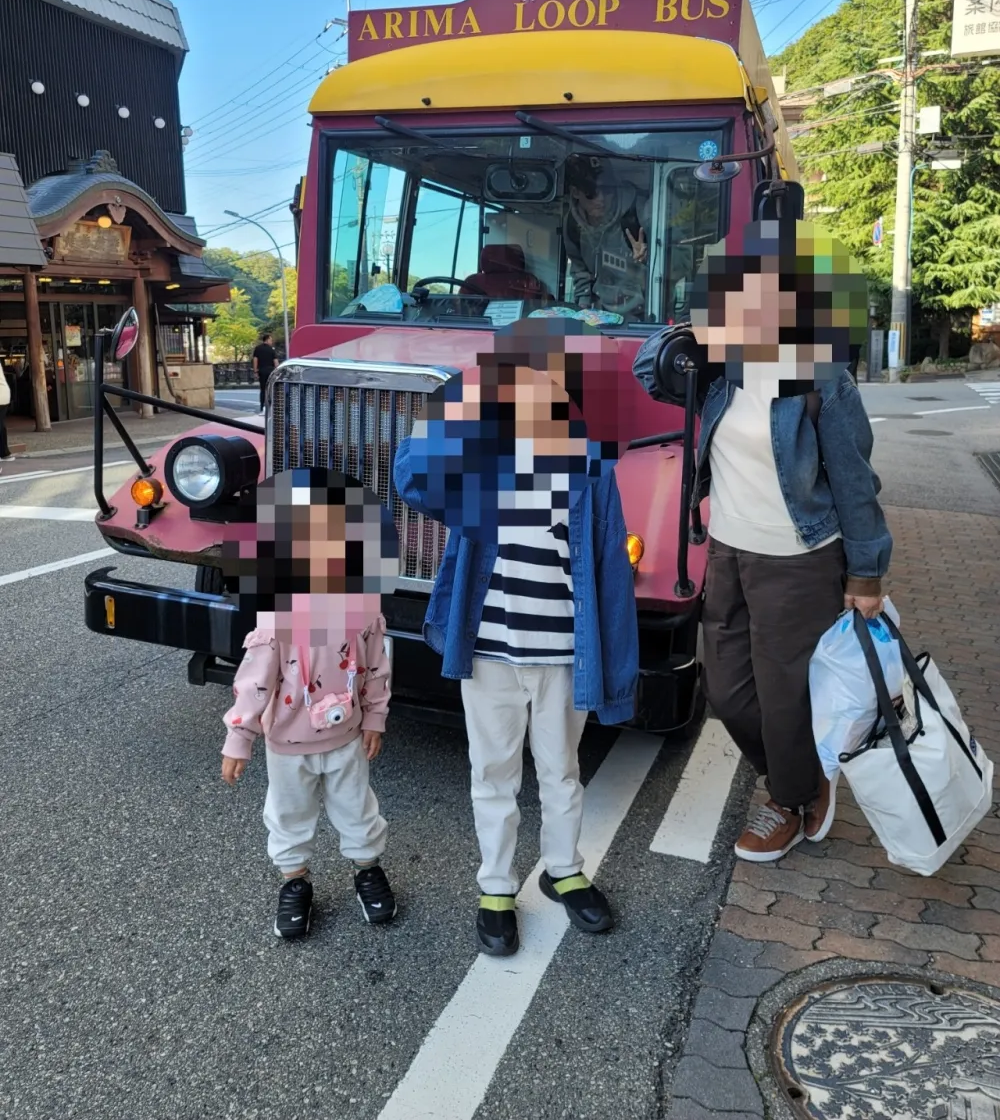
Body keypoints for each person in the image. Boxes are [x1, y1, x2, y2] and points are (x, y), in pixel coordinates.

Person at [632, 222, 890, 864]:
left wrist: (867, 572)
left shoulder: (821, 377)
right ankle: (800, 773)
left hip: (799, 558)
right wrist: (693, 334)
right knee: (725, 689)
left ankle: (792, 797)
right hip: (726, 548)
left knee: (785, 693)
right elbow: (648, 370)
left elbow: (856, 478)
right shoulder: (719, 369)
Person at [393, 356, 638, 956]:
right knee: (493, 772)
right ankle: (497, 888)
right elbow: (410, 479)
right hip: (488, 650)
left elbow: (609, 567)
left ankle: (564, 870)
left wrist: (617, 672)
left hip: (563, 653)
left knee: (561, 770)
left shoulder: (589, 467)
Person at [220, 469, 399, 938]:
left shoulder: (363, 610)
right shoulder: (276, 618)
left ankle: (367, 869)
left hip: (346, 739)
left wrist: (375, 716)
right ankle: (294, 881)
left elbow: (377, 667)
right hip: (286, 744)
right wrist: (239, 737)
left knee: (357, 807)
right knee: (289, 814)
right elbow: (254, 681)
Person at [563, 154, 649, 322]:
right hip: (600, 315)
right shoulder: (572, 224)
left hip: (642, 315)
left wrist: (648, 259)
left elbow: (673, 264)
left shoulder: (639, 211)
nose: (601, 199)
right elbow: (580, 271)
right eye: (591, 193)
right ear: (575, 192)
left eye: (607, 191)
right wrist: (583, 308)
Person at [252, 332, 278, 412]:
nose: (271, 342)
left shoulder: (258, 348)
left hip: (262, 371)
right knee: (271, 389)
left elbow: (255, 360)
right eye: (270, 340)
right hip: (271, 371)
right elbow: (276, 362)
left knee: (263, 389)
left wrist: (255, 371)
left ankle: (262, 406)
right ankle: (270, 406)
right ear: (266, 340)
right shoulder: (272, 350)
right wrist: (278, 371)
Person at [0, 358, 13, 462]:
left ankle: (4, 453)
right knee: (0, 425)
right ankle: (4, 453)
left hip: (1, 395)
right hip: (3, 395)